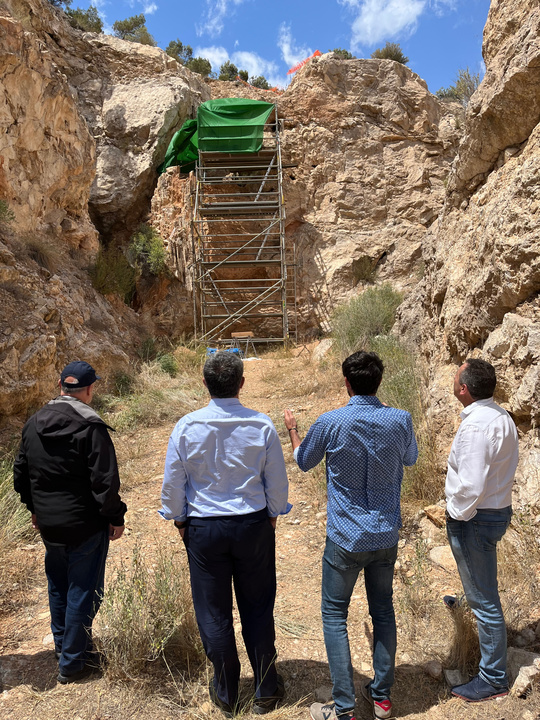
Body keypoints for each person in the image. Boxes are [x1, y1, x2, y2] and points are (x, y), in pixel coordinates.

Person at [284, 351, 418, 720]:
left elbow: (303, 461)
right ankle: (382, 698)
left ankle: (343, 708)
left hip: (345, 536)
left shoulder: (331, 422)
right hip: (385, 535)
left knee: (333, 614)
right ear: (379, 381)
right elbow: (411, 458)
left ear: (346, 383)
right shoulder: (400, 419)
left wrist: (293, 429)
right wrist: (390, 411)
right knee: (384, 612)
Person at [160, 351, 290, 716]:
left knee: (213, 611)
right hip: (252, 524)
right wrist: (274, 515)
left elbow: (173, 484)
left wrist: (180, 519)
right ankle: (266, 687)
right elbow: (276, 482)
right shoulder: (261, 425)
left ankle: (227, 689)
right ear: (242, 384)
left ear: (204, 383)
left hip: (205, 529)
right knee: (259, 606)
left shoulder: (187, 426)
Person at [13, 360, 126, 684]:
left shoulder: (34, 422)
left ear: (62, 386)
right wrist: (115, 518)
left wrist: (35, 508)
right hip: (85, 525)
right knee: (84, 590)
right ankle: (73, 663)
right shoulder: (90, 426)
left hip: (49, 524)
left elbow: (20, 474)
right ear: (89, 389)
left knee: (59, 585)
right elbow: (105, 483)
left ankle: (65, 647)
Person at [445, 358, 519, 702]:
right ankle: (467, 596)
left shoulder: (475, 427)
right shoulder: (500, 416)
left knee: (485, 601)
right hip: (496, 510)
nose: (454, 374)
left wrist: (456, 515)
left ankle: (493, 678)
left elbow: (471, 486)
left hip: (475, 517)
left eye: (457, 373)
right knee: (482, 583)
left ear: (464, 389)